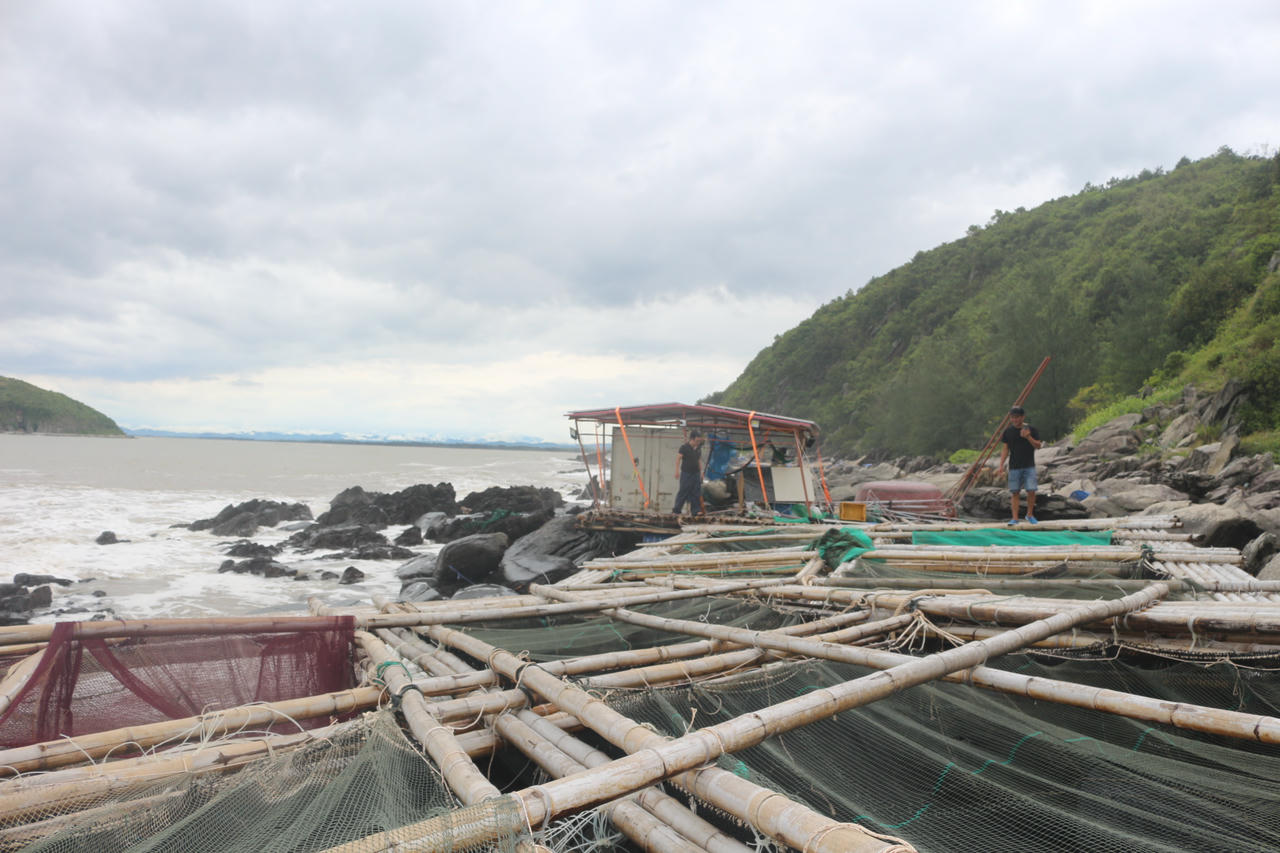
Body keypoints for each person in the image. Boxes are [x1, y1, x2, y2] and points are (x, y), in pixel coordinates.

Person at [997, 405, 1043, 524]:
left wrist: (1028, 437)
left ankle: (1029, 515)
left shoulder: (1031, 429)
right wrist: (1001, 465)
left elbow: (1038, 446)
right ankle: (1015, 518)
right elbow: (1005, 449)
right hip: (1014, 466)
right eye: (1012, 417)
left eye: (1017, 417)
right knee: (1015, 492)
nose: (1014, 420)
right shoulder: (1008, 431)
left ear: (1023, 417)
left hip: (1029, 465)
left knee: (1031, 490)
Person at [672, 430, 706, 516]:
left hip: (696, 473)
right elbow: (678, 459)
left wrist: (701, 472)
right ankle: (676, 510)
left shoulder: (698, 449)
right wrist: (676, 471)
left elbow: (698, 461)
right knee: (684, 491)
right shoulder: (684, 447)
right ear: (692, 439)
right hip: (686, 473)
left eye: (699, 441)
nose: (698, 443)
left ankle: (696, 511)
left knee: (696, 492)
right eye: (697, 441)